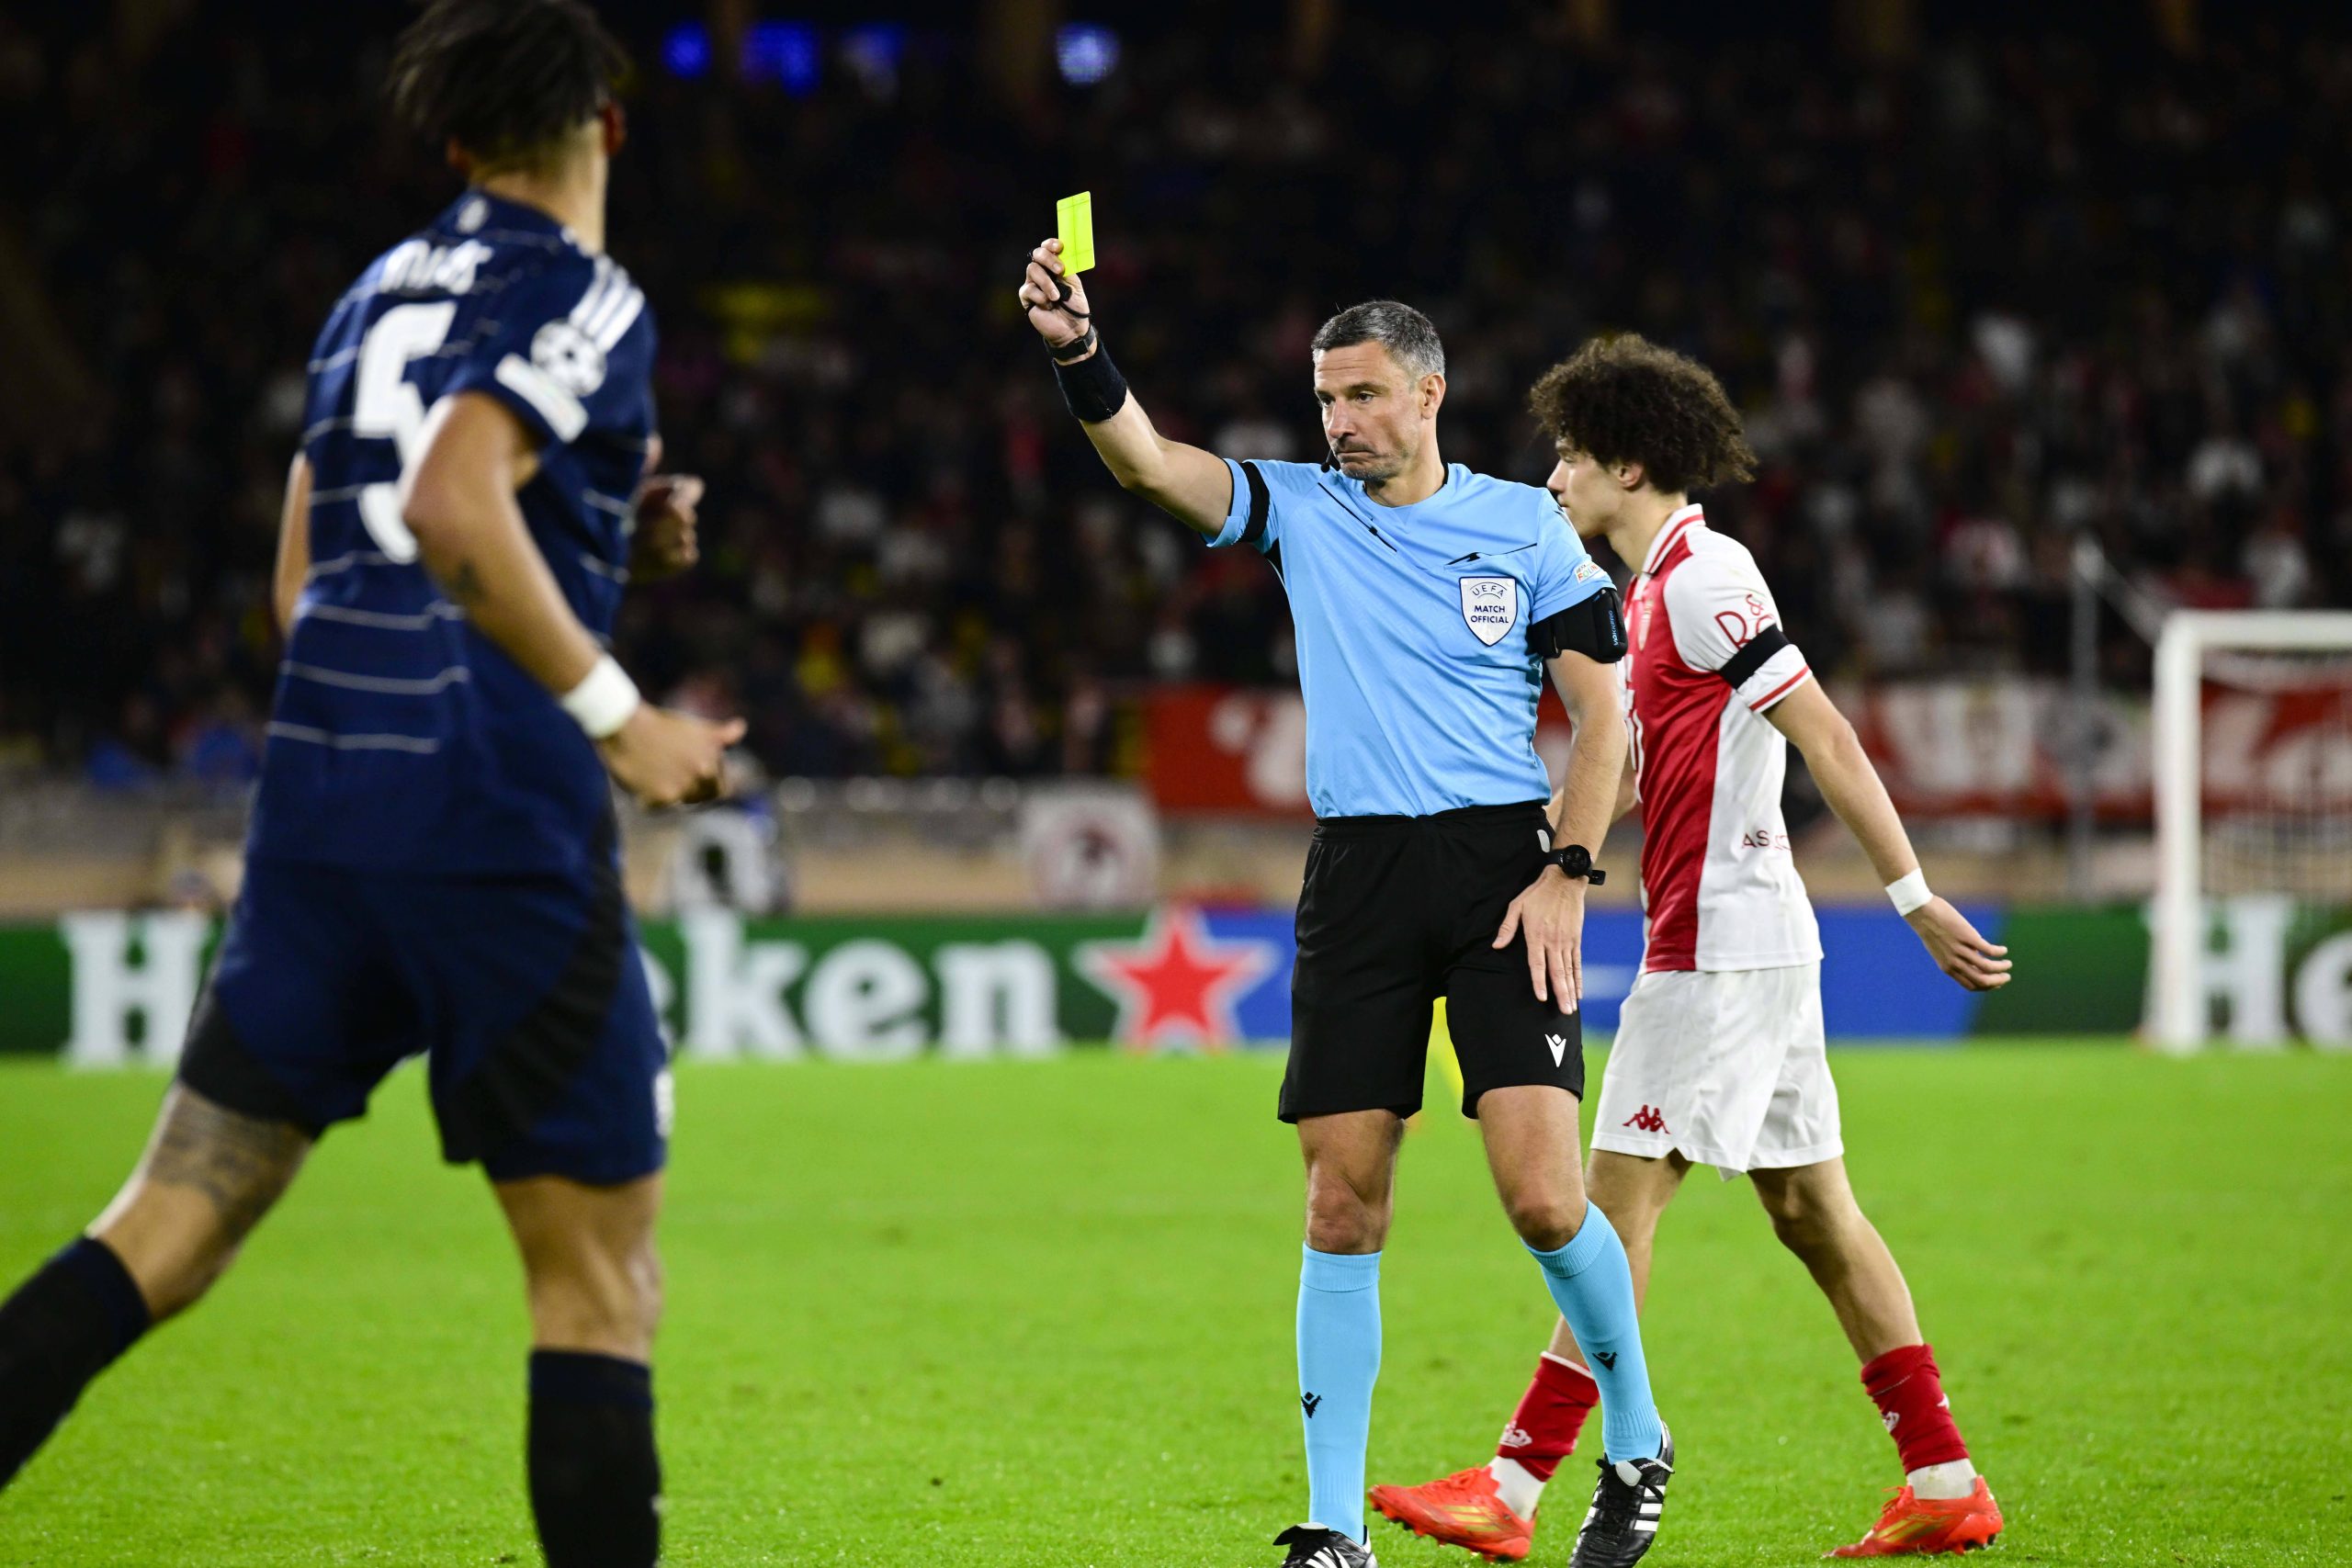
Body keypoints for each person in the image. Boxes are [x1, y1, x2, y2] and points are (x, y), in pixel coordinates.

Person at [0, 6, 741, 1566]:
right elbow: (454, 494)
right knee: (597, 1288)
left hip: (320, 820)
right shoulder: (589, 296)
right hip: (496, 827)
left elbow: (308, 586)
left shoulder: (365, 301)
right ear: (609, 126)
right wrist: (621, 715)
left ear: (459, 143)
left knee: (165, 1227)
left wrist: (617, 536)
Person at [1018, 243, 1675, 1568]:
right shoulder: (1301, 509)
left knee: (1547, 1200)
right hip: (1359, 878)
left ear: (1429, 394)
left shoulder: (1523, 526)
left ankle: (1639, 1443)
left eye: (1364, 396)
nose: (1339, 422)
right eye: (1326, 399)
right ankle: (1330, 1529)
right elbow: (1150, 462)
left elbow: (1607, 718)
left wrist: (1568, 870)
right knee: (1340, 1203)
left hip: (1505, 872)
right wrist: (1080, 351)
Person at [1368, 334, 2010, 1561]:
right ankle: (1941, 1476)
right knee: (1815, 1212)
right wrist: (1535, 861)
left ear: (1624, 460)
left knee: (1602, 1212)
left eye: (1569, 458)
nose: (1554, 482)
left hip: (1717, 952)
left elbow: (1825, 735)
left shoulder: (1710, 577)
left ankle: (1512, 1486)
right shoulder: (1654, 594)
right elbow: (1650, 772)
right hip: (1743, 946)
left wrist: (1914, 893)